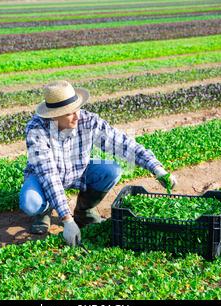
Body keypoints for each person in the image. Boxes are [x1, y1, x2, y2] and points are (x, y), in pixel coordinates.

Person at [19, 80, 177, 246]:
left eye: (76, 109)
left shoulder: (87, 121)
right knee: (31, 202)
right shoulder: (36, 130)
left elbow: (123, 144)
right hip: (44, 179)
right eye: (68, 113)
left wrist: (157, 168)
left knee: (111, 171)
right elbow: (48, 175)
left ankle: (84, 211)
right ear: (53, 116)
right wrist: (66, 220)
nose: (77, 116)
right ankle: (43, 212)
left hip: (78, 171)